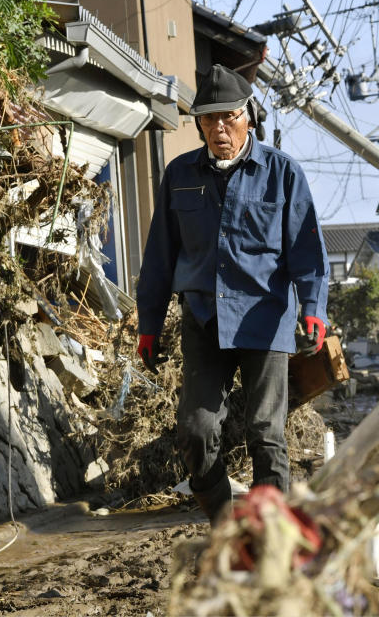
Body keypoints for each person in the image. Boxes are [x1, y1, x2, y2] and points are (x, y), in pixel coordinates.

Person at [135, 65, 329, 523]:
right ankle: (227, 524)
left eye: (229, 117)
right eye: (208, 119)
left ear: (249, 117)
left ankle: (269, 537)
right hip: (204, 318)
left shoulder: (282, 174)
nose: (219, 128)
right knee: (195, 433)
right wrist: (148, 325)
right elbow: (160, 257)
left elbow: (307, 249)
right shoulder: (180, 175)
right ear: (198, 122)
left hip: (266, 317)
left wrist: (314, 309)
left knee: (266, 433)